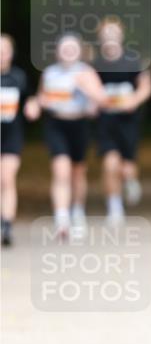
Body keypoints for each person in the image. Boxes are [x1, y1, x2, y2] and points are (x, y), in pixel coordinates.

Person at [24, 33, 108, 240]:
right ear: (57, 51)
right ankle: (62, 220)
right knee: (60, 170)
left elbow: (103, 101)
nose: (68, 52)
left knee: (77, 172)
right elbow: (41, 97)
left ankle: (77, 212)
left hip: (79, 125)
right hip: (56, 125)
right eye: (64, 48)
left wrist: (87, 89)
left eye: (72, 48)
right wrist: (35, 105)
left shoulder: (86, 73)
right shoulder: (50, 74)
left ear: (79, 51)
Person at [95, 17, 151, 224]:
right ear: (100, 38)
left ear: (121, 36)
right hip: (105, 121)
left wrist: (134, 100)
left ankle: (130, 180)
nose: (110, 38)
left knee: (126, 166)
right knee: (110, 164)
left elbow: (146, 86)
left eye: (114, 33)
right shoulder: (95, 63)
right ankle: (114, 206)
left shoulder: (132, 60)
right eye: (106, 34)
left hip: (128, 121)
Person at [1, 34, 29, 246]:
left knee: (7, 178)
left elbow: (28, 105)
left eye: (4, 50)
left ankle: (7, 224)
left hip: (11, 136)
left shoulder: (19, 77)